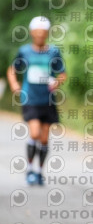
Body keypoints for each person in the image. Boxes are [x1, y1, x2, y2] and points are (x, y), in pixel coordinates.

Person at [7, 16, 67, 186]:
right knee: (34, 133)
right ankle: (29, 170)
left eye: (43, 32)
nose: (40, 35)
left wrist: (57, 82)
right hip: (30, 98)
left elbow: (62, 74)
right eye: (37, 32)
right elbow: (12, 69)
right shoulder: (25, 51)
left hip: (47, 100)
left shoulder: (53, 52)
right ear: (32, 33)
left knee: (44, 138)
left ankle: (39, 172)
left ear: (47, 34)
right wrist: (14, 84)